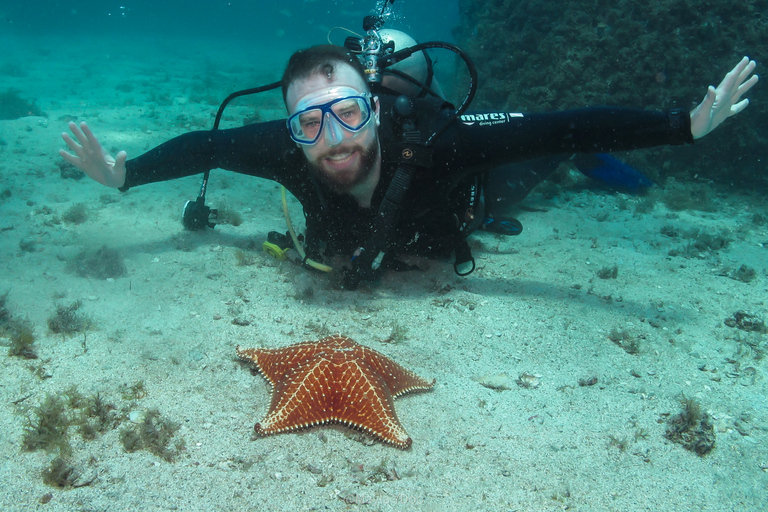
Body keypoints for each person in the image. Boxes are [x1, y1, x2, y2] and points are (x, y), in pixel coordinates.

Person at [60, 45, 758, 288]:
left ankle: (583, 169)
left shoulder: (441, 138)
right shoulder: (282, 147)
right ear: (290, 129)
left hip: (470, 199)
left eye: (350, 113)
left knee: (538, 155)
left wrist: (682, 127)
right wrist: (124, 177)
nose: (334, 138)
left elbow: (562, 120)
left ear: (373, 105)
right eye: (309, 122)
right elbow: (202, 145)